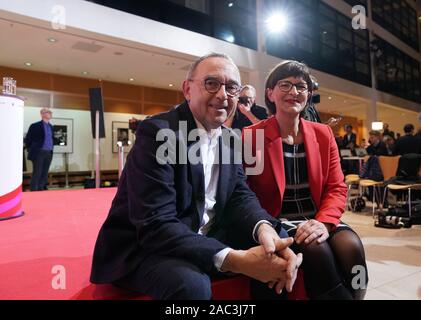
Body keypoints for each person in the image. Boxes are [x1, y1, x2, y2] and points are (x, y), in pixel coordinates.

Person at [90, 53, 302, 300]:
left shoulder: (231, 139)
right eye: (211, 83)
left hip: (202, 234)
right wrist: (235, 259)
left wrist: (263, 228)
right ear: (187, 89)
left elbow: (239, 195)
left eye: (232, 87)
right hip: (145, 245)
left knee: (279, 244)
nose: (223, 95)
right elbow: (155, 224)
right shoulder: (159, 133)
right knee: (191, 286)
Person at [243, 60, 368, 299]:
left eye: (301, 86)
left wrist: (323, 222)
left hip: (319, 217)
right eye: (285, 85)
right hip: (278, 220)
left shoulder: (323, 134)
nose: (294, 92)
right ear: (270, 93)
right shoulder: (253, 136)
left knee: (353, 250)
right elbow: (246, 191)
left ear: (309, 94)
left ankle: (359, 292)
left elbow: (336, 187)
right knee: (316, 251)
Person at [25, 107, 54, 191]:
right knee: (37, 172)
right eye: (47, 112)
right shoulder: (35, 125)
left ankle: (41, 188)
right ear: (42, 114)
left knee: (45, 172)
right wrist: (31, 150)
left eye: (50, 112)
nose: (49, 113)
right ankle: (34, 190)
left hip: (49, 152)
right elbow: (28, 139)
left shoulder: (51, 127)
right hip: (39, 152)